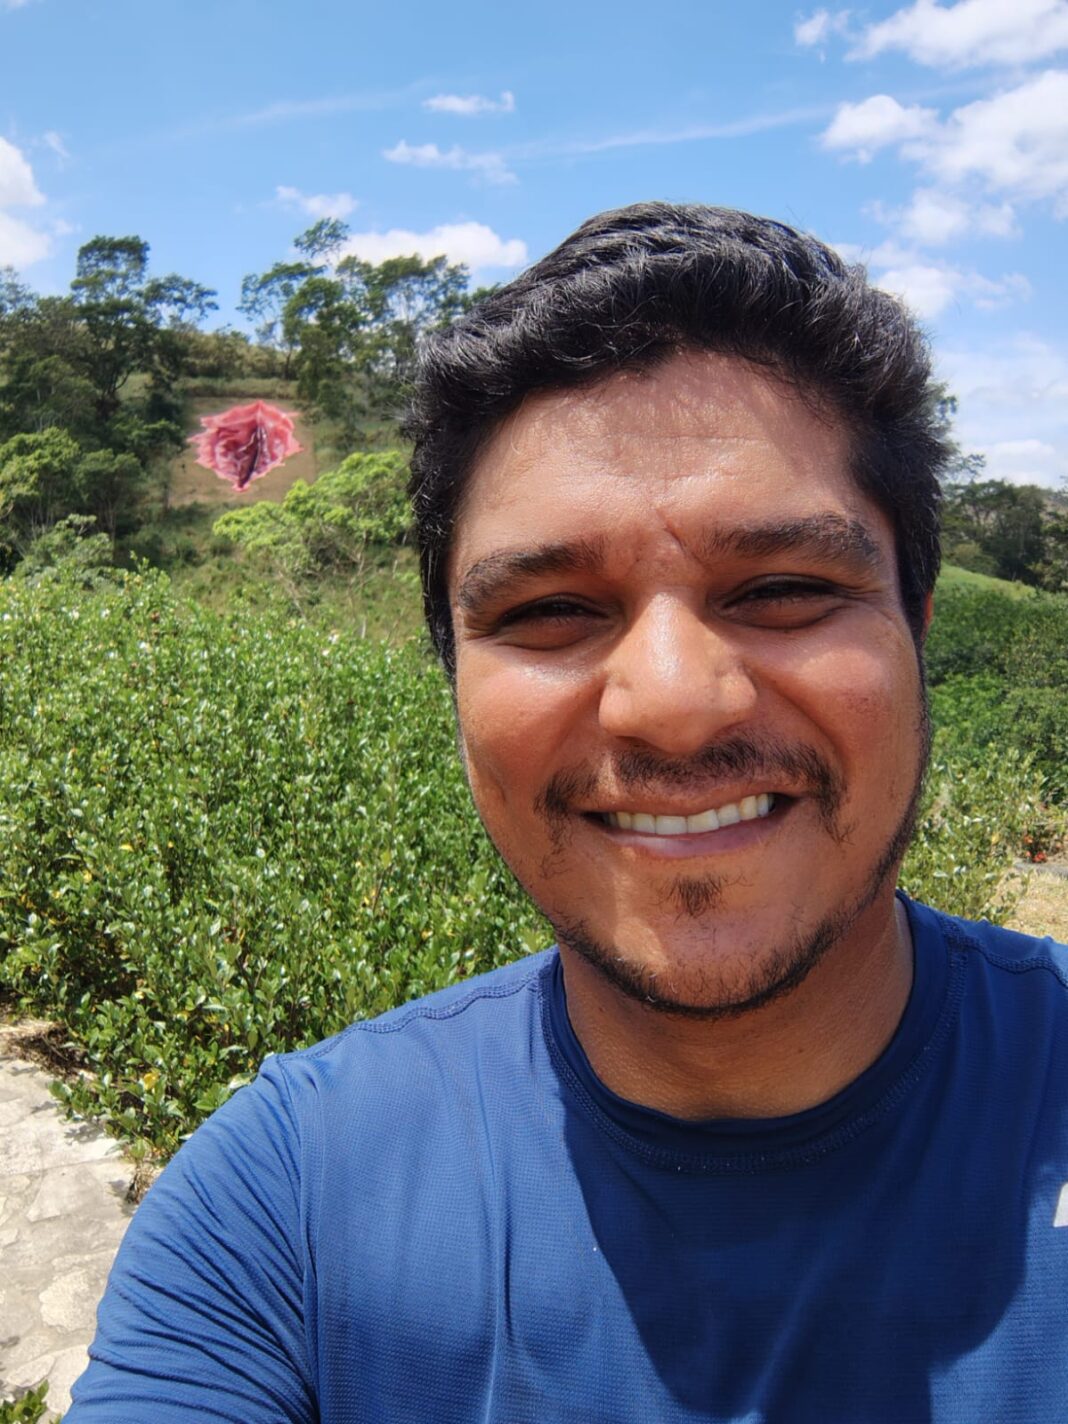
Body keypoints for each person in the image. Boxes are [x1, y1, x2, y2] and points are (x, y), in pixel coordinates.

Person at [68, 203, 1068, 1423]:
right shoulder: (285, 1206)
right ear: (453, 679)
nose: (673, 704)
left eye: (783, 588)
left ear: (917, 628)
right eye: (549, 611)